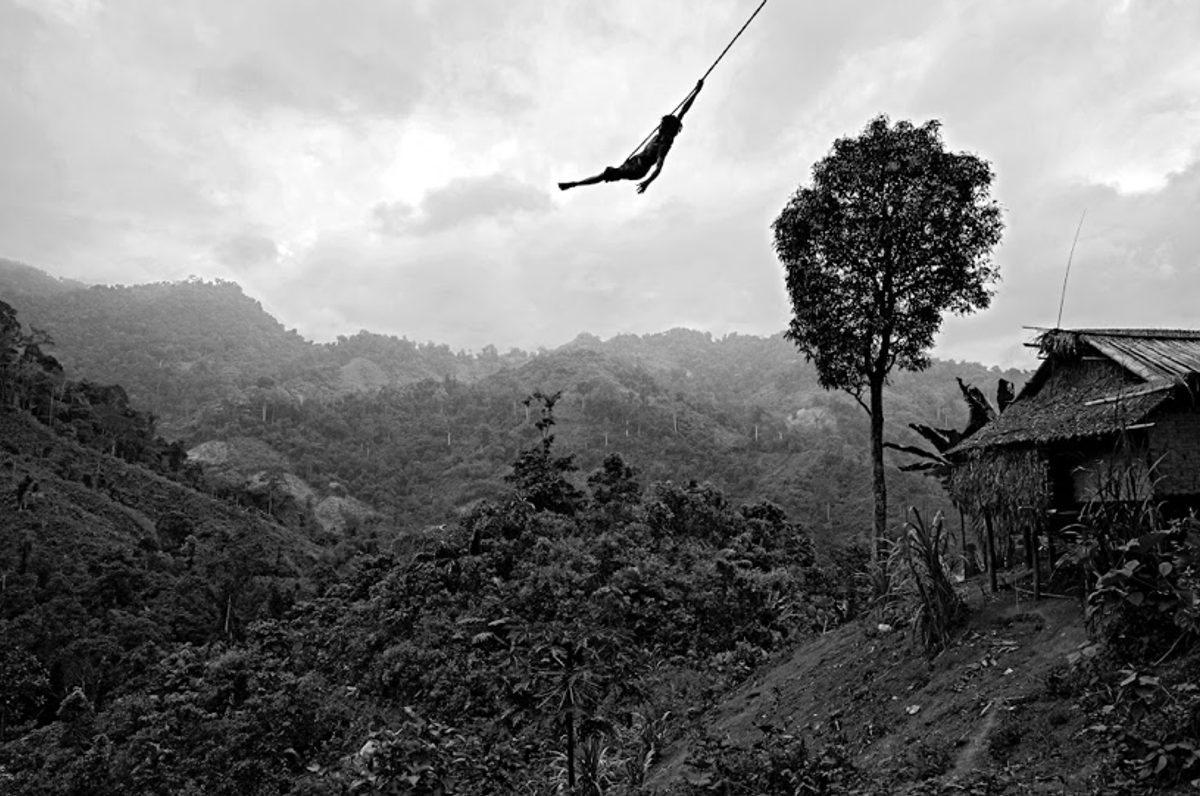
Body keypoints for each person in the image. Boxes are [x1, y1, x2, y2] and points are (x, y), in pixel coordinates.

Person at [559, 80, 704, 194]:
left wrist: (647, 182)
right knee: (606, 175)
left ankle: (574, 184)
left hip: (637, 170)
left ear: (667, 127)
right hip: (633, 163)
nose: (659, 127)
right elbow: (683, 110)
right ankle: (575, 184)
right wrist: (696, 91)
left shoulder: (664, 145)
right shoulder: (661, 135)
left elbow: (659, 168)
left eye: (662, 125)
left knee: (605, 175)